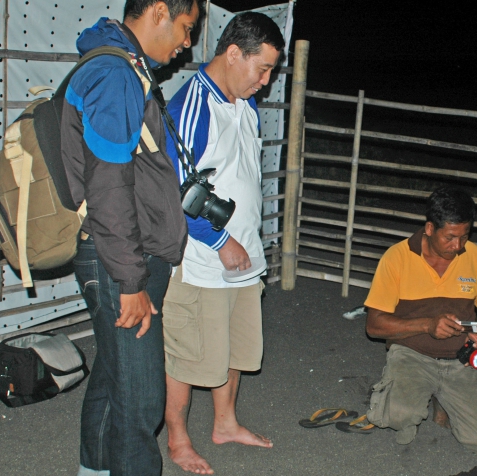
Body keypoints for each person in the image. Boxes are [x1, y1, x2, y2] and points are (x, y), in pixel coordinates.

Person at [61, 1, 199, 475]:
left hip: (125, 254)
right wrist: (130, 280)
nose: (187, 43)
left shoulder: (121, 66)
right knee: (141, 399)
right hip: (121, 259)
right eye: (185, 28)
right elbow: (107, 185)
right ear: (159, 11)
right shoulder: (115, 74)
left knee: (113, 378)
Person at [160, 12, 284, 475]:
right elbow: (174, 191)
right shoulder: (192, 106)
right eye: (262, 68)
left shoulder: (244, 104)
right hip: (202, 260)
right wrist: (219, 240)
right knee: (189, 355)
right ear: (233, 54)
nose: (266, 81)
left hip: (244, 256)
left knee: (235, 347)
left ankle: (225, 423)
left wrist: (245, 242)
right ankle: (177, 438)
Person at [364, 187, 477, 457]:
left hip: (459, 359)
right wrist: (427, 325)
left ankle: (442, 399)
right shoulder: (397, 257)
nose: (458, 246)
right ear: (430, 229)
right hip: (411, 354)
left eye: (464, 236)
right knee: (397, 416)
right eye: (450, 237)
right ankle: (423, 393)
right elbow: (373, 326)